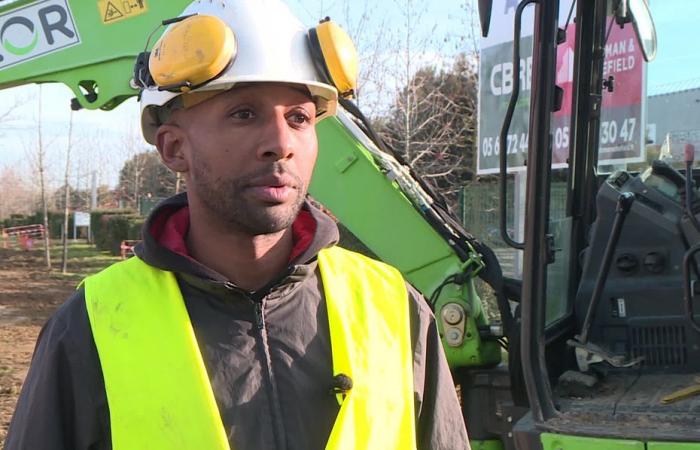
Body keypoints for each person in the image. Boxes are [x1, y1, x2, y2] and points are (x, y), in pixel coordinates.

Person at [4, 1, 470, 449]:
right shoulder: (93, 325)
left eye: (300, 118)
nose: (281, 143)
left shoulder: (393, 309)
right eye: (243, 114)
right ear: (173, 149)